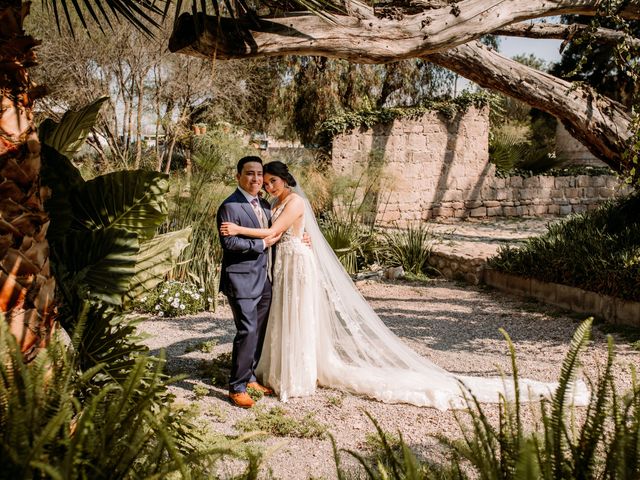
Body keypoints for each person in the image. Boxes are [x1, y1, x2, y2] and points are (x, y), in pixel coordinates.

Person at [220, 161, 590, 410]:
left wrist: (241, 230)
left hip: (294, 267)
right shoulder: (272, 202)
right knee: (283, 318)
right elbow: (291, 233)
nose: (266, 185)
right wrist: (300, 241)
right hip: (286, 265)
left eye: (271, 180)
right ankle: (267, 371)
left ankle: (293, 376)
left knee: (295, 317)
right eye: (263, 181)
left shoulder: (294, 201)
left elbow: (272, 233)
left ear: (285, 181)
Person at [216, 156, 281, 408]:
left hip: (264, 278)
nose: (255, 178)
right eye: (249, 173)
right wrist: (261, 244)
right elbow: (230, 243)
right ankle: (237, 387)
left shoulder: (265, 205)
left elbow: (279, 231)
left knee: (259, 330)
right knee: (247, 330)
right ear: (238, 177)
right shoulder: (230, 206)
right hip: (241, 279)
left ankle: (251, 377)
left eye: (259, 173)